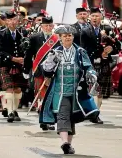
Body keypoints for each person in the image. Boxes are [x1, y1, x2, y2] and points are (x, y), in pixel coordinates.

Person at [40, 25, 99, 154]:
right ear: (60, 38)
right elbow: (46, 71)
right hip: (59, 91)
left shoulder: (80, 52)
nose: (68, 37)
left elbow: (88, 66)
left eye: (70, 35)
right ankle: (64, 142)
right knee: (62, 115)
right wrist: (50, 61)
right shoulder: (55, 52)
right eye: (65, 36)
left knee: (72, 117)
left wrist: (92, 74)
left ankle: (68, 145)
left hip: (77, 91)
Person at [23, 16, 60, 130]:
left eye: (50, 25)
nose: (48, 28)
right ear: (42, 26)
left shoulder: (58, 38)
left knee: (52, 95)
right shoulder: (34, 37)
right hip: (39, 70)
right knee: (42, 95)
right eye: (46, 26)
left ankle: (49, 119)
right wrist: (26, 69)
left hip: (54, 70)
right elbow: (28, 55)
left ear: (53, 26)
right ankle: (43, 118)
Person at [80, 7, 115, 124]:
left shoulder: (107, 29)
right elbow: (83, 48)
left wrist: (109, 50)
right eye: (93, 16)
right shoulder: (85, 30)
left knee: (99, 90)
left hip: (104, 62)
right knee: (92, 89)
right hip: (90, 62)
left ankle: (96, 113)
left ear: (101, 17)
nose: (95, 18)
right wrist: (99, 52)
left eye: (97, 16)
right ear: (90, 17)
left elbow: (115, 46)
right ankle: (92, 113)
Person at [0, 11, 28, 122]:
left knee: (18, 89)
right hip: (7, 64)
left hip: (20, 65)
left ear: (17, 20)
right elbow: (0, 50)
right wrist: (13, 58)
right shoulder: (2, 33)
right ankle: (10, 112)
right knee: (9, 88)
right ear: (6, 21)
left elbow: (26, 48)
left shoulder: (23, 32)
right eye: (9, 20)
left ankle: (15, 110)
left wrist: (24, 58)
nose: (12, 22)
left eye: (14, 19)